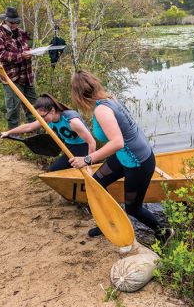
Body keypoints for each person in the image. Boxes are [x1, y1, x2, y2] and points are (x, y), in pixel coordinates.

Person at [69, 70, 174, 245]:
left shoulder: (102, 110)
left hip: (138, 163)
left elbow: (117, 142)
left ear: (79, 95)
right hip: (124, 157)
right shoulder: (109, 98)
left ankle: (163, 232)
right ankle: (107, 224)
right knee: (97, 183)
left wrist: (87, 159)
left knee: (133, 207)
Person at [1, 93, 96, 171]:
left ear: (52, 111)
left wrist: (89, 164)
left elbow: (91, 142)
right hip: (68, 146)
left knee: (57, 169)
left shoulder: (72, 121)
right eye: (39, 117)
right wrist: (9, 132)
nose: (41, 120)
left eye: (42, 116)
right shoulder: (47, 119)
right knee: (58, 169)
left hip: (83, 146)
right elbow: (28, 127)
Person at [0, 6, 37, 129]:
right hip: (11, 76)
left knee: (34, 106)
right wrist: (21, 56)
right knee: (13, 107)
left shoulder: (21, 32)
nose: (14, 24)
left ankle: (35, 130)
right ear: (5, 20)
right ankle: (13, 134)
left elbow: (25, 49)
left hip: (27, 75)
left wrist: (30, 52)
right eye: (12, 22)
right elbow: (0, 54)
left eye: (16, 22)